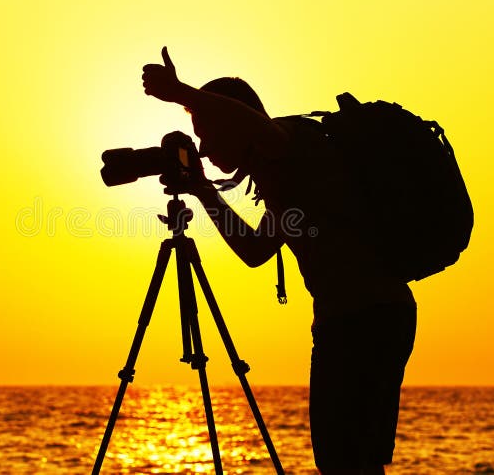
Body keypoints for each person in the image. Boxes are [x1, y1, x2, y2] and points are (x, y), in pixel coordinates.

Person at [142, 47, 417, 475]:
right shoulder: (288, 182)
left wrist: (180, 91)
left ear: (232, 123)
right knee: (350, 463)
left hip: (364, 320)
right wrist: (203, 191)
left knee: (348, 462)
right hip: (360, 320)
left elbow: (258, 127)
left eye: (206, 131)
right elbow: (255, 251)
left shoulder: (292, 142)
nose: (203, 146)